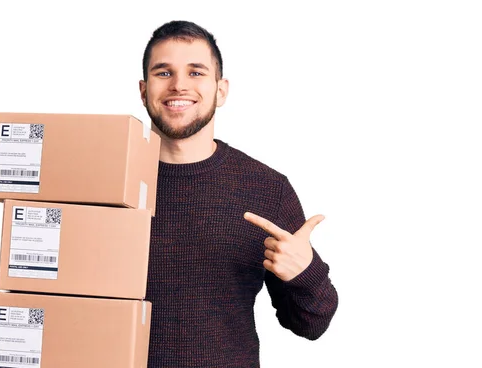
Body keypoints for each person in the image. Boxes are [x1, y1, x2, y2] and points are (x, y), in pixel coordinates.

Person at [139, 20, 339, 367]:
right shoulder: (107, 182)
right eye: (164, 73)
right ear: (143, 90)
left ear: (221, 90)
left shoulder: (266, 189)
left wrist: (305, 272)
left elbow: (311, 324)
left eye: (196, 73)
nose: (179, 85)